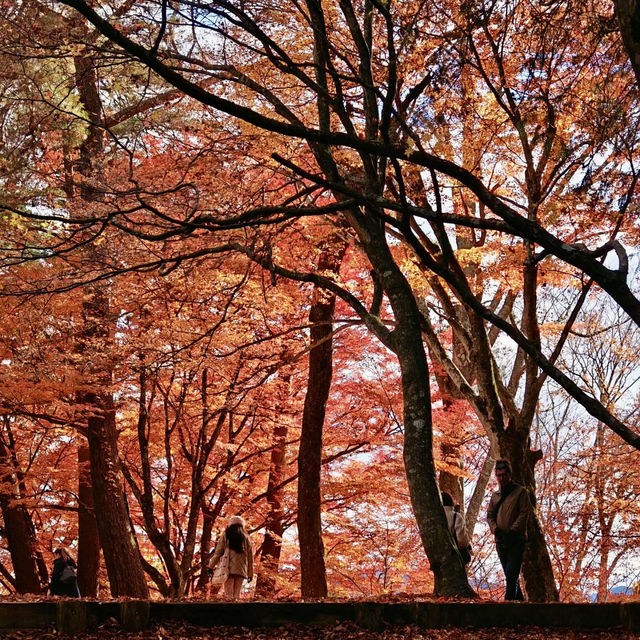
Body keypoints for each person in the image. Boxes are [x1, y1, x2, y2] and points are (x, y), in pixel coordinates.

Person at [487, 460, 531, 601]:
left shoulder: (520, 492)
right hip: (500, 540)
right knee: (510, 575)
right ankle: (520, 604)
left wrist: (513, 531)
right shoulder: (495, 496)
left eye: (504, 475)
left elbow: (525, 513)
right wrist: (496, 530)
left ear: (509, 475)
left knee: (512, 574)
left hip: (516, 540)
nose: (501, 478)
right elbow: (490, 516)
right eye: (498, 475)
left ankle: (508, 607)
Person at [209, 515, 254, 599]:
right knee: (237, 596)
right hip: (241, 570)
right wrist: (250, 573)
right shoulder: (246, 538)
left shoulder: (226, 535)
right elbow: (250, 557)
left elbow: (218, 553)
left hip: (228, 568)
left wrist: (211, 567)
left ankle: (229, 611)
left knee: (228, 595)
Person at [441, 491, 471, 565]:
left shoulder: (433, 518)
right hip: (454, 556)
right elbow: (461, 540)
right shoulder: (456, 516)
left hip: (439, 556)